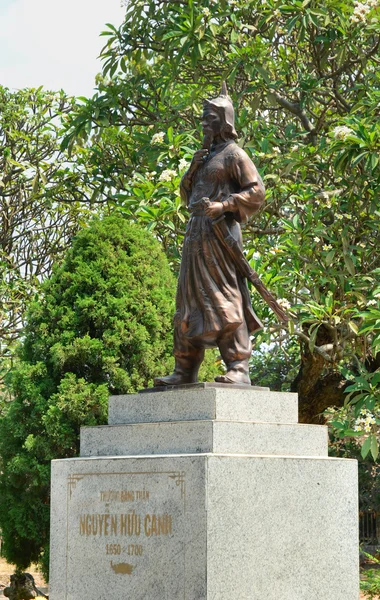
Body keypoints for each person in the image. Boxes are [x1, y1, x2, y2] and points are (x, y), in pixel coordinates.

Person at [155, 83, 265, 386]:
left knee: (225, 297)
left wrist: (224, 205)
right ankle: (184, 369)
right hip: (196, 236)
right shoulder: (203, 155)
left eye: (210, 118)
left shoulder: (234, 154)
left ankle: (238, 367)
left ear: (225, 121)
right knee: (188, 301)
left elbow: (257, 192)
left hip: (220, 236)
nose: (204, 123)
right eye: (203, 118)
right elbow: (187, 195)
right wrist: (192, 169)